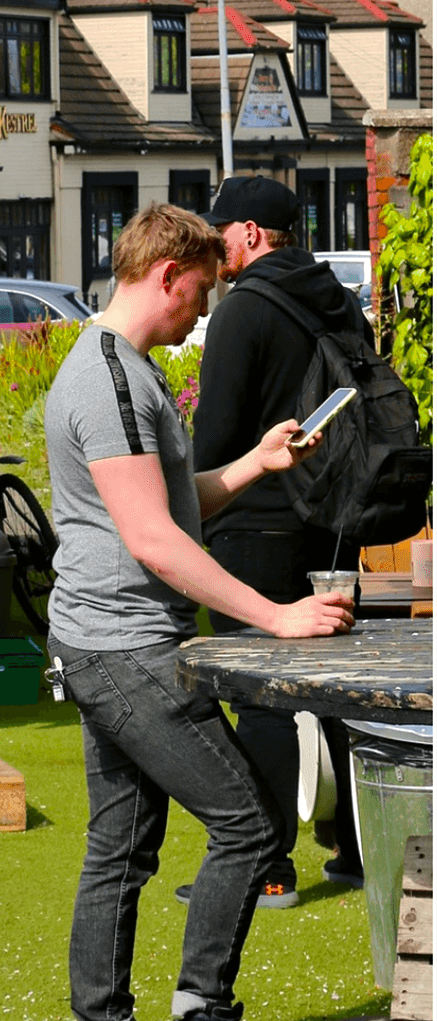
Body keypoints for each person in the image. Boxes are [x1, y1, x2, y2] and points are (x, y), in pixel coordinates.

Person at [44, 202, 354, 1021]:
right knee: (249, 827)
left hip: (102, 638)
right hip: (127, 647)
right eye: (203, 297)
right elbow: (156, 545)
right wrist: (277, 616)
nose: (203, 319)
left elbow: (169, 512)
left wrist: (254, 465)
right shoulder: (107, 381)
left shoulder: (122, 370)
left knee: (120, 846)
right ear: (171, 275)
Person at [189, 174, 371, 903]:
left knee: (259, 695)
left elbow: (216, 436)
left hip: (255, 520)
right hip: (335, 522)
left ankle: (266, 868)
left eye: (221, 230)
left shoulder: (244, 310)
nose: (214, 243)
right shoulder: (339, 300)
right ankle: (359, 851)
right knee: (333, 693)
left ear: (252, 235)